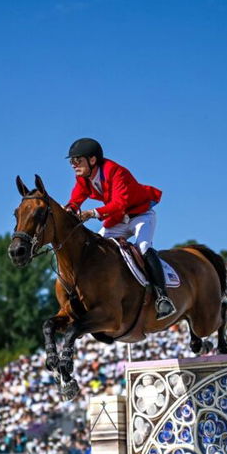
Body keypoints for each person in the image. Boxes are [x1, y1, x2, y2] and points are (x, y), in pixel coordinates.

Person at [64, 137, 174, 319]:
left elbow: (119, 204)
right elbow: (78, 195)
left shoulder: (115, 172)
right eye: (72, 161)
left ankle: (162, 298)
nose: (74, 165)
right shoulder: (84, 177)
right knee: (95, 248)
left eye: (77, 160)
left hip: (140, 215)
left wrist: (91, 213)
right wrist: (70, 208)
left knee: (143, 247)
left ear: (92, 160)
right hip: (118, 220)